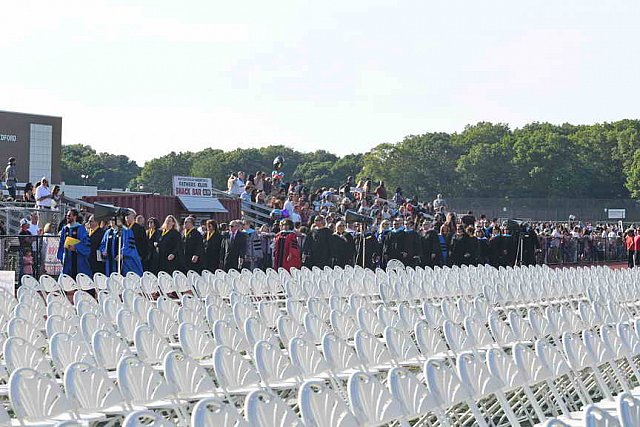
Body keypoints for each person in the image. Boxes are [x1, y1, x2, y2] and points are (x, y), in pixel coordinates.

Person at [57, 208, 92, 278]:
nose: (67, 217)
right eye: (67, 215)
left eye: (69, 215)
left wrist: (76, 248)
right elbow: (61, 243)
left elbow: (86, 244)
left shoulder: (80, 228)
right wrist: (61, 257)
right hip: (67, 260)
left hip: (78, 259)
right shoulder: (65, 229)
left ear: (75, 217)